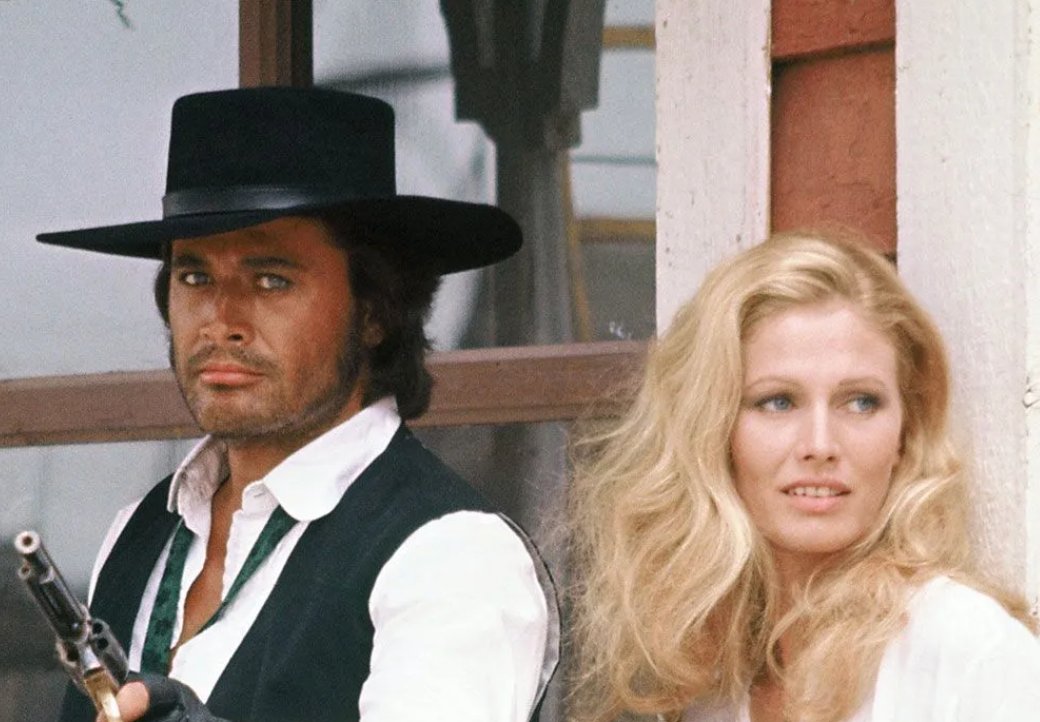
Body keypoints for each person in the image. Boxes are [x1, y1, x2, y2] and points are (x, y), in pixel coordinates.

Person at [36, 87, 558, 722]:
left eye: (271, 280)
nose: (221, 320)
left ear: (374, 311)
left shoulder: (451, 554)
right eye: (195, 276)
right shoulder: (137, 533)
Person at [567, 232, 1040, 722]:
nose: (820, 444)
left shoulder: (968, 653)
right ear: (713, 431)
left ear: (907, 431)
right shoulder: (711, 685)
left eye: (861, 402)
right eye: (778, 402)